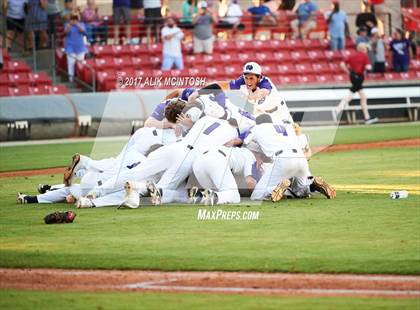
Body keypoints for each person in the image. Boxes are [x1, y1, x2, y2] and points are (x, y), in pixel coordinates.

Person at [338, 43, 378, 125]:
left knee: (363, 97)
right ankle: (338, 109)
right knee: (351, 94)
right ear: (363, 49)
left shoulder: (352, 56)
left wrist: (348, 72)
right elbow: (368, 67)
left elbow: (342, 64)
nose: (366, 50)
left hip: (353, 76)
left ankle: (367, 118)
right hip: (359, 77)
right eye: (366, 49)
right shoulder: (364, 56)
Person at [64, 12, 87, 82]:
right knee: (71, 63)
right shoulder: (67, 24)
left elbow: (83, 32)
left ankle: (81, 78)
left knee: (81, 63)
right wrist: (70, 24)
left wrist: (77, 24)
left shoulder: (81, 24)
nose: (74, 20)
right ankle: (71, 79)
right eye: (73, 18)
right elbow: (65, 32)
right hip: (70, 47)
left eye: (75, 18)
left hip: (80, 47)